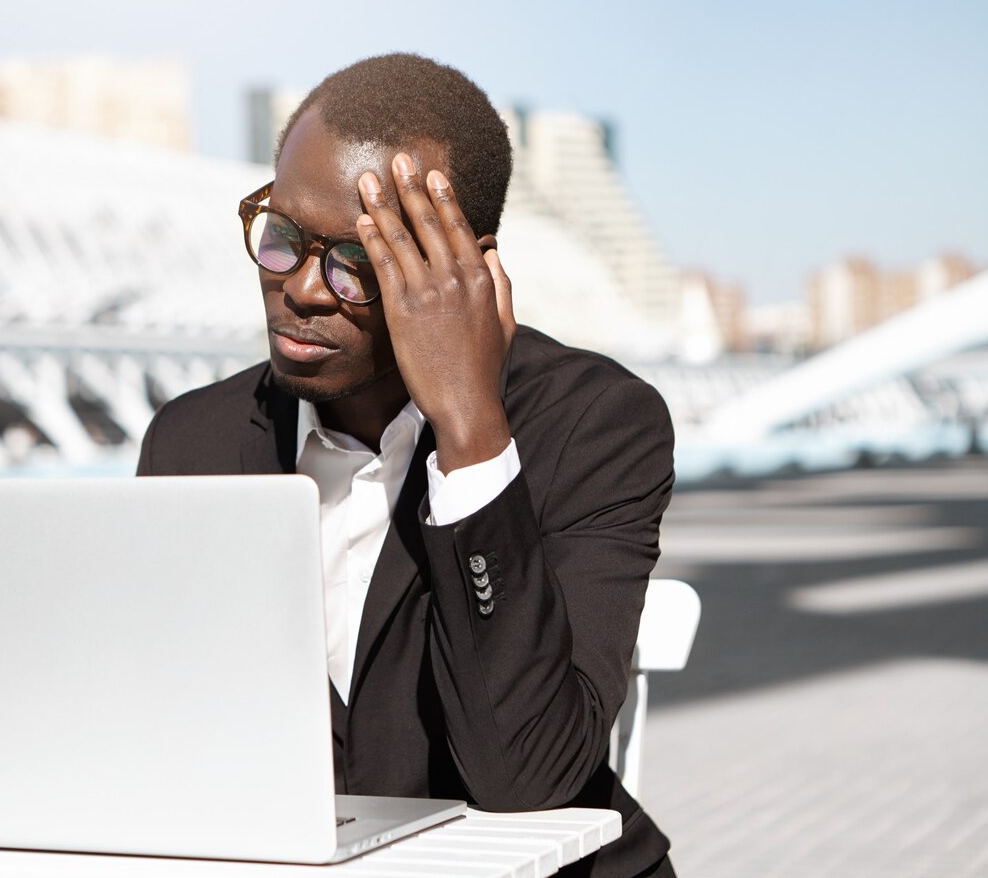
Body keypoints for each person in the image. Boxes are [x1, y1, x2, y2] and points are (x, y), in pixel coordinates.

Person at [137, 53, 676, 878]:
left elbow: (527, 781)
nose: (303, 290)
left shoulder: (595, 427)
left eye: (357, 262)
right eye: (282, 239)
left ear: (466, 269)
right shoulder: (192, 442)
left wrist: (471, 433)